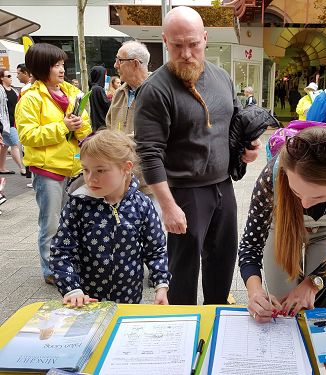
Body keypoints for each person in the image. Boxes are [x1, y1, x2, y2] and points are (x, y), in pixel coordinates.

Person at [134, 6, 260, 305]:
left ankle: (216, 313)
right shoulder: (156, 90)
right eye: (177, 45)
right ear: (166, 42)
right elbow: (149, 153)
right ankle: (183, 325)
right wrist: (167, 206)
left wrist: (246, 148)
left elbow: (231, 125)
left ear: (205, 38)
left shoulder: (222, 78)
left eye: (193, 44)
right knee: (183, 269)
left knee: (223, 258)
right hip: (184, 191)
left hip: (222, 185)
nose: (186, 53)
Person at [239, 126, 326, 323]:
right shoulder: (271, 176)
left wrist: (314, 283)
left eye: (319, 196)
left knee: (319, 306)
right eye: (296, 192)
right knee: (284, 305)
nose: (305, 203)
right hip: (283, 227)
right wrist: (254, 292)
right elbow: (251, 244)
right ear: (285, 174)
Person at [50, 130, 171, 307]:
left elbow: (155, 249)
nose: (91, 178)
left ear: (126, 168)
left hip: (129, 299)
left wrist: (161, 285)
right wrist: (72, 289)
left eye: (100, 170)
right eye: (85, 169)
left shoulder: (141, 204)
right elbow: (62, 250)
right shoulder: (78, 204)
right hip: (88, 301)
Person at [15, 43, 92, 285]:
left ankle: (69, 263)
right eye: (56, 65)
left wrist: (80, 128)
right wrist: (63, 127)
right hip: (47, 170)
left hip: (73, 168)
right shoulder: (30, 99)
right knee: (50, 222)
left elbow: (86, 127)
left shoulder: (71, 92)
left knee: (71, 221)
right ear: (41, 68)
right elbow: (27, 136)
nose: (61, 69)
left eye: (62, 64)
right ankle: (51, 270)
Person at [106, 40, 150, 135]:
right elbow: (109, 125)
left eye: (120, 60)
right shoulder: (119, 93)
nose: (115, 65)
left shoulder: (157, 93)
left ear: (135, 64)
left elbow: (155, 134)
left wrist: (121, 142)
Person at [0, 69, 25, 175]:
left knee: (5, 146)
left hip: (15, 121)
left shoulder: (14, 90)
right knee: (15, 144)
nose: (11, 78)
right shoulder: (1, 90)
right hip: (6, 122)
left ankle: (1, 168)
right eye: (8, 76)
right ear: (2, 78)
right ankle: (22, 168)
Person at [88, 65, 110, 131]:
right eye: (104, 75)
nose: (106, 77)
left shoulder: (93, 88)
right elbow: (107, 105)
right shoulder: (98, 89)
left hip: (96, 122)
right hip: (102, 122)